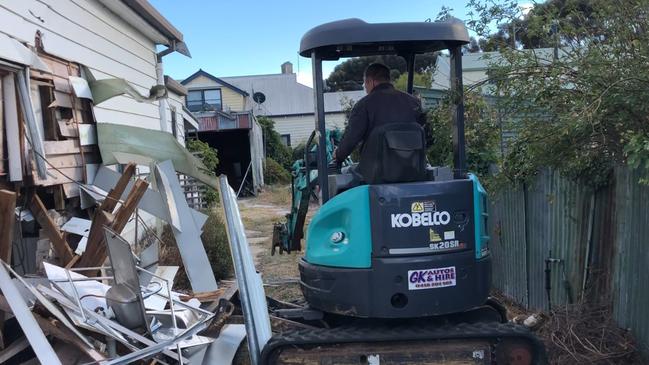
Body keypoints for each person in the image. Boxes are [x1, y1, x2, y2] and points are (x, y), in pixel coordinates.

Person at [333, 63, 427, 169]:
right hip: (414, 169)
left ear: (370, 82)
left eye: (365, 84)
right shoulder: (414, 102)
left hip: (377, 173)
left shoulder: (363, 105)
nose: (366, 89)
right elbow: (427, 135)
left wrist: (339, 155)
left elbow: (351, 138)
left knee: (345, 173)